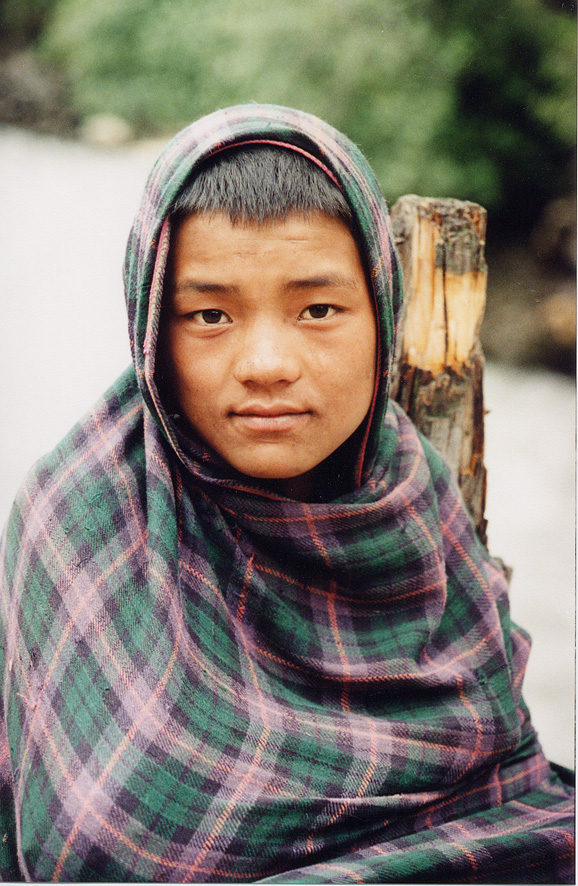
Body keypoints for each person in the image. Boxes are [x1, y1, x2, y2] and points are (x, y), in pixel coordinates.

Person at [0, 103, 573, 884]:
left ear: (383, 313)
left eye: (318, 309)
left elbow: (506, 804)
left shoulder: (420, 513)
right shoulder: (77, 519)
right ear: (149, 334)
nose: (266, 361)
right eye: (209, 314)